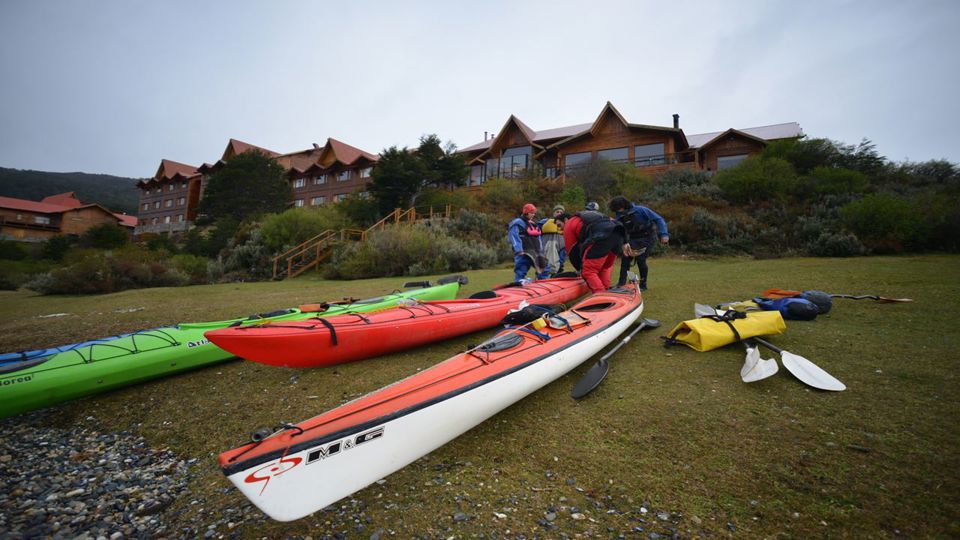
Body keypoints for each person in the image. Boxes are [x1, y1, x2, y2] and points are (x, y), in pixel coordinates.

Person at [563, 204, 633, 292]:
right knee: (604, 267)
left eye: (559, 225)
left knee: (588, 271)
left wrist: (579, 268)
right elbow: (615, 222)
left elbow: (572, 250)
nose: (560, 229)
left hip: (602, 237)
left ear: (565, 220)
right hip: (618, 236)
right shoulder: (596, 216)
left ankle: (601, 296)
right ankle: (605, 290)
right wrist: (625, 241)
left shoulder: (568, 224)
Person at [608, 196, 669, 290]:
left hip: (648, 237)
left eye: (617, 209)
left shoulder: (641, 210)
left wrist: (664, 234)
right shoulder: (620, 214)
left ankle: (643, 285)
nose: (617, 211)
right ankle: (621, 284)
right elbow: (620, 227)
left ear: (623, 205)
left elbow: (659, 219)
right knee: (625, 259)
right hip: (632, 239)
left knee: (641, 259)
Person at [507, 203, 550, 283]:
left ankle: (542, 282)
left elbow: (538, 237)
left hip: (536, 251)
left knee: (544, 267)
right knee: (521, 268)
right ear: (526, 212)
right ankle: (518, 282)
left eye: (534, 213)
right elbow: (514, 236)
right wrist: (518, 249)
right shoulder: (517, 223)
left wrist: (540, 250)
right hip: (524, 251)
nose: (533, 215)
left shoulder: (533, 224)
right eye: (531, 213)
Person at [538, 204, 567, 275]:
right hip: (548, 245)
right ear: (554, 213)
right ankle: (543, 278)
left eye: (561, 212)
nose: (559, 213)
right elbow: (536, 230)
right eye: (557, 212)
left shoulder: (566, 223)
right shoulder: (545, 221)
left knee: (560, 262)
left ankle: (557, 277)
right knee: (546, 263)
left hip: (562, 246)